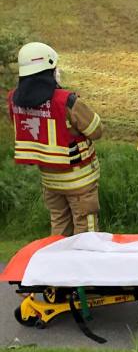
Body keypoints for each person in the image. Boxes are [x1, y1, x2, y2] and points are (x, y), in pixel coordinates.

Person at [8, 42, 103, 236]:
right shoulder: (65, 100)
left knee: (59, 230)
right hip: (80, 181)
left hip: (50, 182)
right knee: (86, 234)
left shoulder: (14, 100)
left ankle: (58, 266)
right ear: (49, 69)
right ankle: (83, 266)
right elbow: (96, 130)